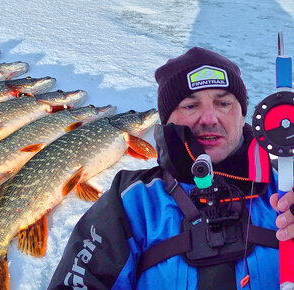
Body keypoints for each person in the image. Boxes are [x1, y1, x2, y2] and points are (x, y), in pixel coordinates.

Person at [48, 47, 294, 289]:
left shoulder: (286, 189)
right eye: (190, 105)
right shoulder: (131, 201)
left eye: (224, 103)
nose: (209, 118)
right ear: (167, 120)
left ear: (243, 116)